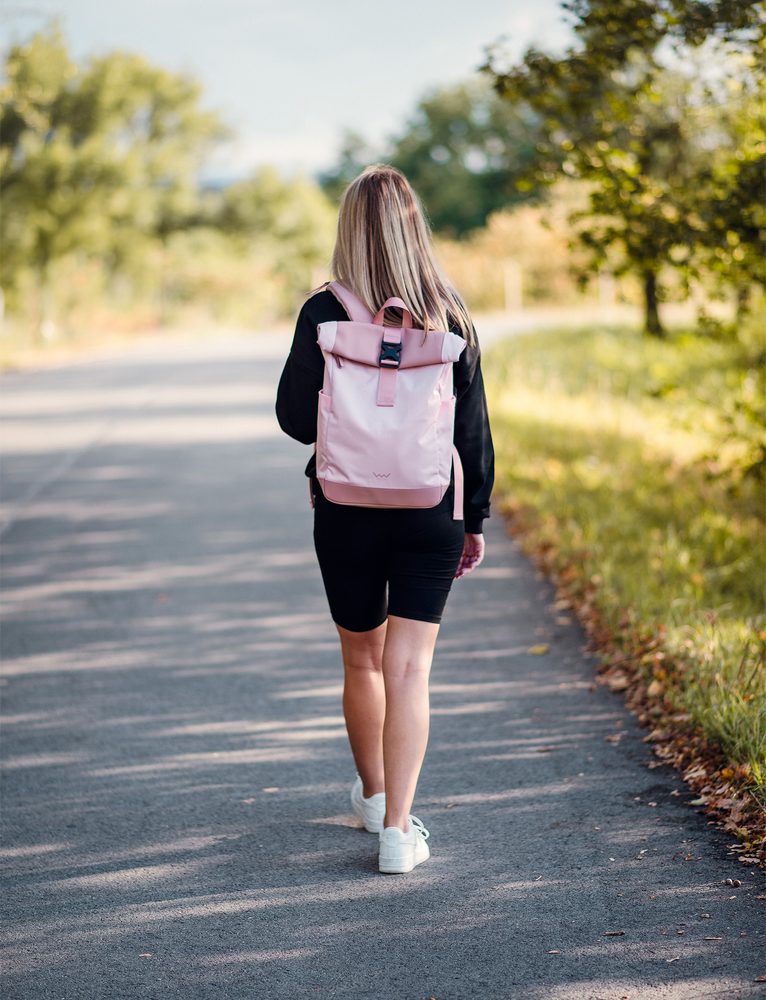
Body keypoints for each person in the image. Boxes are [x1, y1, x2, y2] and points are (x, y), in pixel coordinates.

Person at [275, 164, 494, 874]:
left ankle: (373, 796)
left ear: (348, 229)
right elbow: (473, 433)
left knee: (362, 658)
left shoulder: (322, 312)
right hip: (431, 510)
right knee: (410, 669)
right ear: (413, 227)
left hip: (344, 508)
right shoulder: (449, 314)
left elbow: (293, 420)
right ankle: (399, 833)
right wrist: (475, 517)